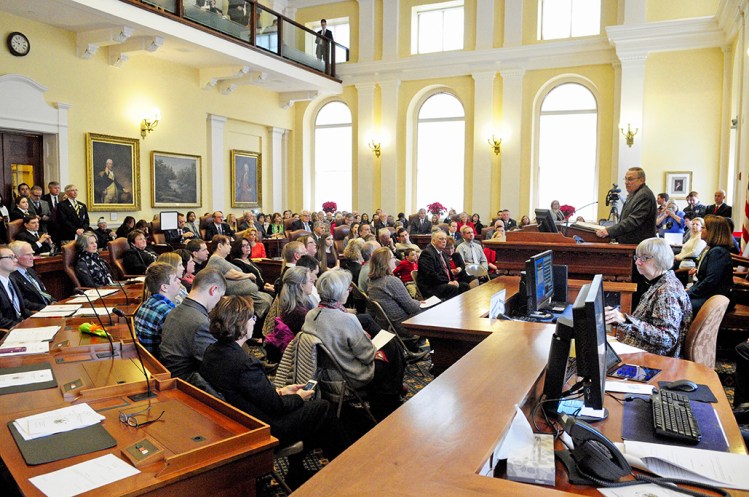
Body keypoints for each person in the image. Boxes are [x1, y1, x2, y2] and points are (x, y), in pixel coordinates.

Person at [200, 295, 348, 488]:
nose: (254, 322)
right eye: (252, 318)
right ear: (241, 324)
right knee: (322, 408)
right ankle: (346, 465)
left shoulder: (212, 352)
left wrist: (281, 390)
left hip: (238, 420)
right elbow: (276, 408)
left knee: (314, 414)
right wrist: (298, 397)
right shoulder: (245, 364)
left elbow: (250, 393)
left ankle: (298, 470)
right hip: (263, 428)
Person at [300, 269, 405, 418]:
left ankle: (392, 393)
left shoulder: (311, 314)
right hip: (349, 376)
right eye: (347, 288)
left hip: (326, 373)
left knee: (390, 349)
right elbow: (367, 356)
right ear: (339, 292)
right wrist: (370, 342)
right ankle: (388, 401)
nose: (349, 291)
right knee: (392, 349)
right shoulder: (346, 319)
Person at [605, 238, 692, 357]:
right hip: (639, 348)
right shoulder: (660, 283)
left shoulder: (667, 290)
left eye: (644, 258)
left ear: (660, 259)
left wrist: (625, 320)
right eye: (637, 257)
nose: (637, 262)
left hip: (652, 357)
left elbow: (667, 338)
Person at [596, 167, 657, 306]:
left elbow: (633, 221)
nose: (627, 182)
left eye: (631, 179)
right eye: (626, 179)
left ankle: (633, 313)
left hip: (639, 248)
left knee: (638, 287)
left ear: (641, 180)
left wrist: (609, 231)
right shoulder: (634, 195)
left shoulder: (644, 195)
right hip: (631, 248)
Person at [160, 269, 226, 392]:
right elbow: (216, 365)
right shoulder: (200, 323)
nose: (218, 302)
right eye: (220, 296)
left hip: (171, 376)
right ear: (213, 289)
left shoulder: (175, 310)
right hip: (184, 386)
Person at [367, 247, 427, 354]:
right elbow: (411, 307)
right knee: (435, 309)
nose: (395, 260)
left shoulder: (372, 282)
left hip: (389, 325)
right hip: (404, 325)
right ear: (385, 262)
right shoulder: (391, 281)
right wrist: (419, 303)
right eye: (392, 257)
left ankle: (415, 346)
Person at [206, 235, 272, 319]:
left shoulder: (220, 260)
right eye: (228, 244)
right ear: (219, 246)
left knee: (269, 298)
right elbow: (235, 275)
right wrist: (249, 275)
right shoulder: (216, 260)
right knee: (266, 301)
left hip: (248, 294)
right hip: (239, 296)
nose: (230, 246)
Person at [265, 266, 315, 363]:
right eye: (310, 281)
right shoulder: (298, 312)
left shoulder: (293, 305)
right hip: (299, 358)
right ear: (301, 285)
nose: (312, 284)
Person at [687, 215, 734, 315]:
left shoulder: (718, 252)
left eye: (703, 228)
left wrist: (688, 293)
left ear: (712, 231)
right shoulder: (713, 249)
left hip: (716, 298)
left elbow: (710, 281)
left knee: (679, 304)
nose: (701, 230)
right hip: (709, 295)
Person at [134, 262, 181, 358]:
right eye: (175, 279)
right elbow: (178, 346)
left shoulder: (148, 302)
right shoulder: (166, 311)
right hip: (159, 364)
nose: (179, 281)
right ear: (164, 287)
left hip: (148, 360)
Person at [417, 230, 465, 300]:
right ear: (433, 241)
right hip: (431, 286)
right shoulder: (427, 253)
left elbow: (448, 271)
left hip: (442, 283)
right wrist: (448, 282)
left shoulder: (442, 252)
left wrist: (454, 280)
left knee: (464, 286)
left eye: (445, 239)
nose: (444, 241)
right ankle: (450, 310)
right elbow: (430, 275)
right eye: (441, 239)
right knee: (452, 288)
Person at [9, 240, 55, 311]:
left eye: (32, 254)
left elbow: (42, 291)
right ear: (16, 257)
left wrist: (54, 301)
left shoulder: (30, 271)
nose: (32, 257)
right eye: (28, 254)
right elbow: (23, 302)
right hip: (37, 312)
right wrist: (46, 308)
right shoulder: (12, 276)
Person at [0, 244, 31, 328]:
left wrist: (40, 316)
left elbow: (22, 310)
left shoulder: (12, 279)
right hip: (8, 333)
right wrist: (23, 326)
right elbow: (1, 321)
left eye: (15, 256)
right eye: (11, 257)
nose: (16, 260)